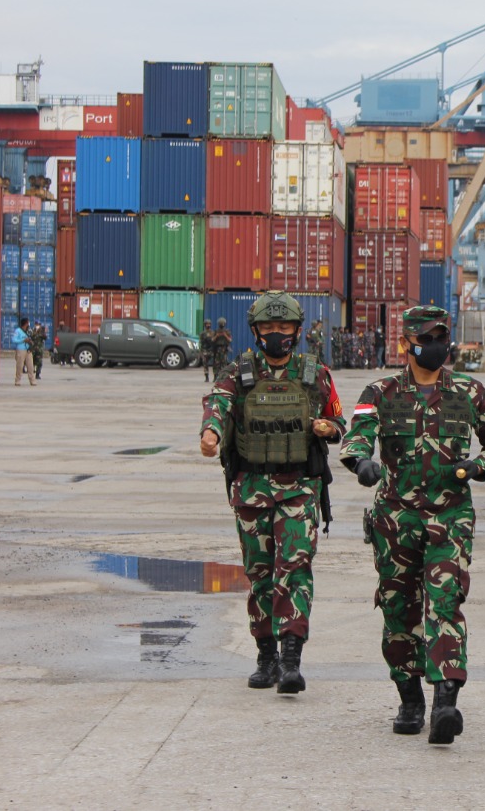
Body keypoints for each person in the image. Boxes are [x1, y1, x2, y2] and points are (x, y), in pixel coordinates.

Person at [339, 305, 485, 744]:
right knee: (399, 611)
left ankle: (445, 701)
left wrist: (478, 468)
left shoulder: (470, 392)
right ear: (407, 344)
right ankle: (410, 697)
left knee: (445, 601)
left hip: (450, 517)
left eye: (441, 336)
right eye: (427, 337)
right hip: (395, 518)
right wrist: (361, 462)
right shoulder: (379, 391)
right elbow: (357, 432)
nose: (436, 345)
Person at [199, 291, 345, 695]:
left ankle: (292, 658)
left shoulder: (315, 373)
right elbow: (219, 403)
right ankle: (266, 655)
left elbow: (340, 419)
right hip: (252, 490)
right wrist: (210, 432)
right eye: (268, 328)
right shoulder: (239, 371)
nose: (276, 334)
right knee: (260, 575)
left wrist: (328, 429)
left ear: (296, 331)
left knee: (294, 570)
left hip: (299, 488)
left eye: (283, 328)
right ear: (256, 331)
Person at [13, 316, 35, 386]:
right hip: (21, 349)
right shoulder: (18, 331)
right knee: (20, 365)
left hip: (28, 350)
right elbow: (14, 340)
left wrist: (31, 342)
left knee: (30, 366)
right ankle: (17, 380)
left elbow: (32, 338)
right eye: (28, 323)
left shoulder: (29, 331)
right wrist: (23, 340)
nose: (29, 324)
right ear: (25, 323)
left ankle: (32, 380)